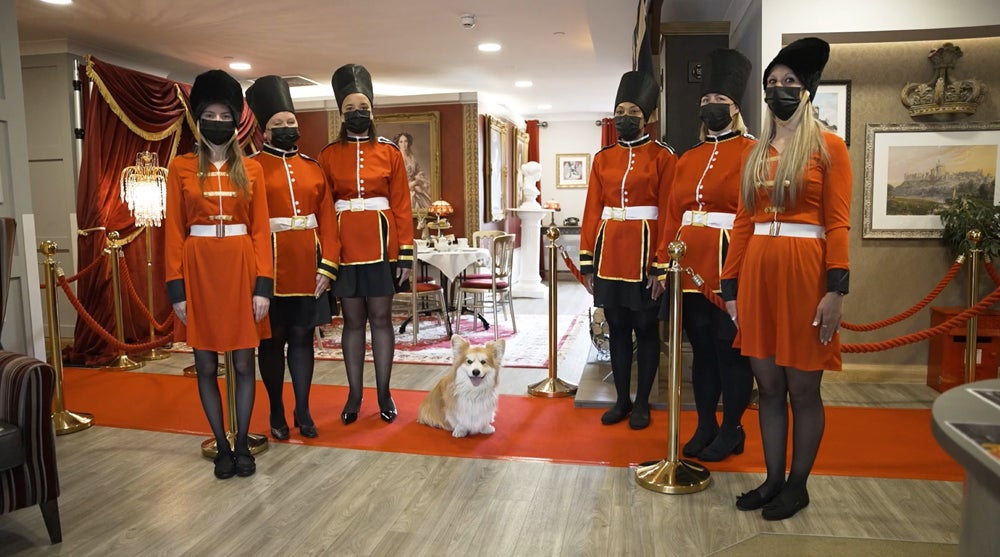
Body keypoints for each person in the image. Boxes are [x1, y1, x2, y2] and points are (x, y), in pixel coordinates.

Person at [720, 37, 851, 520]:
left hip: (805, 276)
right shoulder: (755, 152)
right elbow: (741, 222)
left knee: (803, 390)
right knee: (768, 388)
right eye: (772, 83)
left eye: (789, 83)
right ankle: (773, 480)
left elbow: (837, 222)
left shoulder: (830, 147)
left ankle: (798, 485)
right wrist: (729, 287)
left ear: (808, 89)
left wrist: (836, 289)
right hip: (758, 272)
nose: (779, 90)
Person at [165, 69, 272, 479]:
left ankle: (243, 442)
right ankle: (222, 446)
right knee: (206, 365)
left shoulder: (254, 171)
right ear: (197, 119)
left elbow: (261, 231)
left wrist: (264, 286)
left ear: (235, 121)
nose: (217, 121)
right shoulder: (180, 167)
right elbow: (174, 232)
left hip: (242, 267)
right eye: (209, 114)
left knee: (245, 363)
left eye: (225, 115)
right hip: (199, 271)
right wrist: (177, 290)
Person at [660, 49, 756, 462]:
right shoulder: (689, 157)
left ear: (735, 109)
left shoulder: (754, 151)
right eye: (705, 102)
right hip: (689, 268)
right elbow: (672, 213)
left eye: (720, 102)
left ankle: (733, 428)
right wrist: (664, 264)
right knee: (699, 349)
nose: (711, 108)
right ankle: (705, 423)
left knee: (729, 350)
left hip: (731, 265)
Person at [317, 63, 413, 425]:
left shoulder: (389, 152)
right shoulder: (327, 155)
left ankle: (384, 392)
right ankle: (355, 394)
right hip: (344, 246)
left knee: (382, 318)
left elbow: (402, 205)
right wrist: (328, 257)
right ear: (341, 114)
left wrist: (405, 252)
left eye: (363, 109)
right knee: (353, 322)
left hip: (382, 244)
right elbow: (325, 210)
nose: (357, 114)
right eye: (349, 110)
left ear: (372, 111)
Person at [580, 70, 676, 430]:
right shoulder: (603, 157)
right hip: (609, 253)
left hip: (645, 253)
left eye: (633, 110)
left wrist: (661, 264)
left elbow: (669, 210)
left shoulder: (664, 156)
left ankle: (643, 403)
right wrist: (587, 261)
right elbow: (592, 208)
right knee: (617, 328)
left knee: (646, 328)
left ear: (647, 116)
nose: (624, 116)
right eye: (619, 109)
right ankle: (621, 399)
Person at [245, 75, 340, 440]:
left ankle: (303, 407)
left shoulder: (313, 167)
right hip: (269, 267)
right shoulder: (250, 167)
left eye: (291, 123)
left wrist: (328, 266)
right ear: (264, 132)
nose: (287, 128)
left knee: (302, 338)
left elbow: (329, 221)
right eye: (278, 125)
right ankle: (275, 409)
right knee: (272, 342)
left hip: (309, 267)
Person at [393, 131, 432, 211]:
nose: (404, 144)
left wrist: (418, 179)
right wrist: (411, 184)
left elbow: (417, 171)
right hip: (402, 188)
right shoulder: (396, 158)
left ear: (408, 143)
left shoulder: (411, 158)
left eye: (406, 141)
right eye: (401, 142)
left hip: (414, 187)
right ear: (398, 143)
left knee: (425, 203)